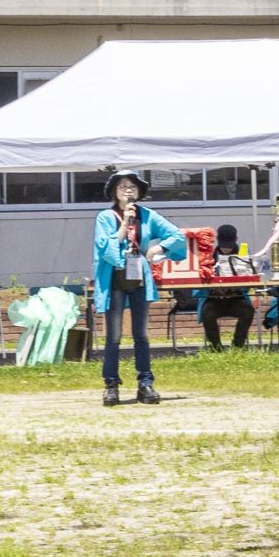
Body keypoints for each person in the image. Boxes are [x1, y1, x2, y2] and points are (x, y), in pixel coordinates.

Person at [91, 170, 187, 407]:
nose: (128, 190)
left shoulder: (148, 215)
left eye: (132, 186)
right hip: (114, 280)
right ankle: (111, 385)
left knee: (141, 335)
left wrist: (159, 249)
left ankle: (145, 383)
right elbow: (106, 249)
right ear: (114, 192)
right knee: (113, 336)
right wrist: (124, 222)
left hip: (139, 280)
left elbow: (176, 236)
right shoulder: (105, 217)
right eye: (122, 186)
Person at [199, 221, 260, 350]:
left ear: (236, 240)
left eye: (229, 245)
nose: (226, 248)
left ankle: (237, 345)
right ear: (217, 240)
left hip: (236, 299)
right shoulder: (208, 257)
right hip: (215, 300)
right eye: (223, 245)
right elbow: (200, 285)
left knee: (248, 311)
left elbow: (249, 284)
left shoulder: (243, 256)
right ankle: (216, 347)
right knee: (207, 313)